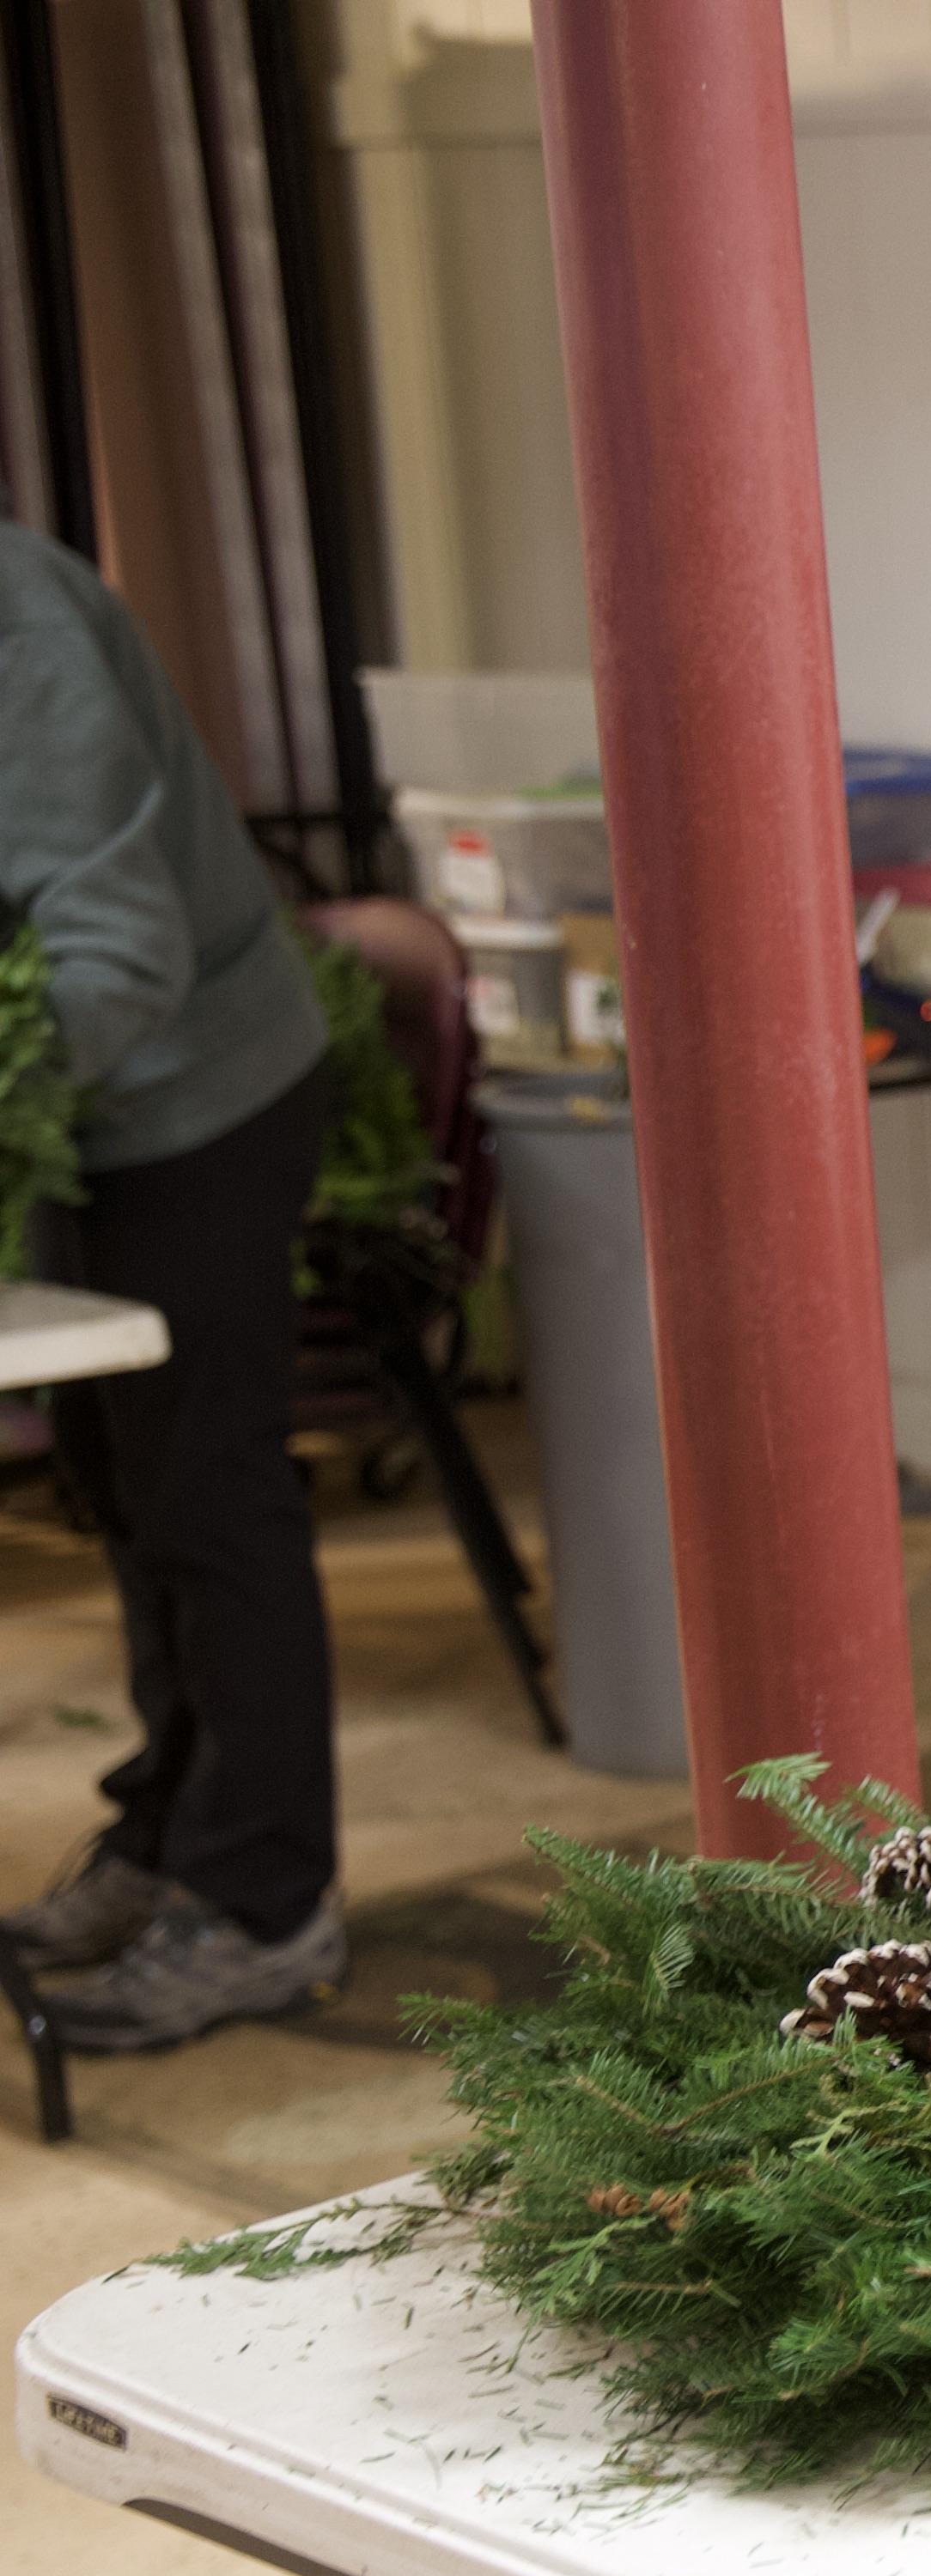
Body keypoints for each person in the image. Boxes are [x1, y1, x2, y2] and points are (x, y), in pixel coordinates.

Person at [0, 519, 347, 2050]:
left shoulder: (11, 620)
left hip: (195, 1096)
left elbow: (113, 946)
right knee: (119, 1489)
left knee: (206, 1495)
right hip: (87, 1118)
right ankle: (168, 1836)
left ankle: (266, 1900)